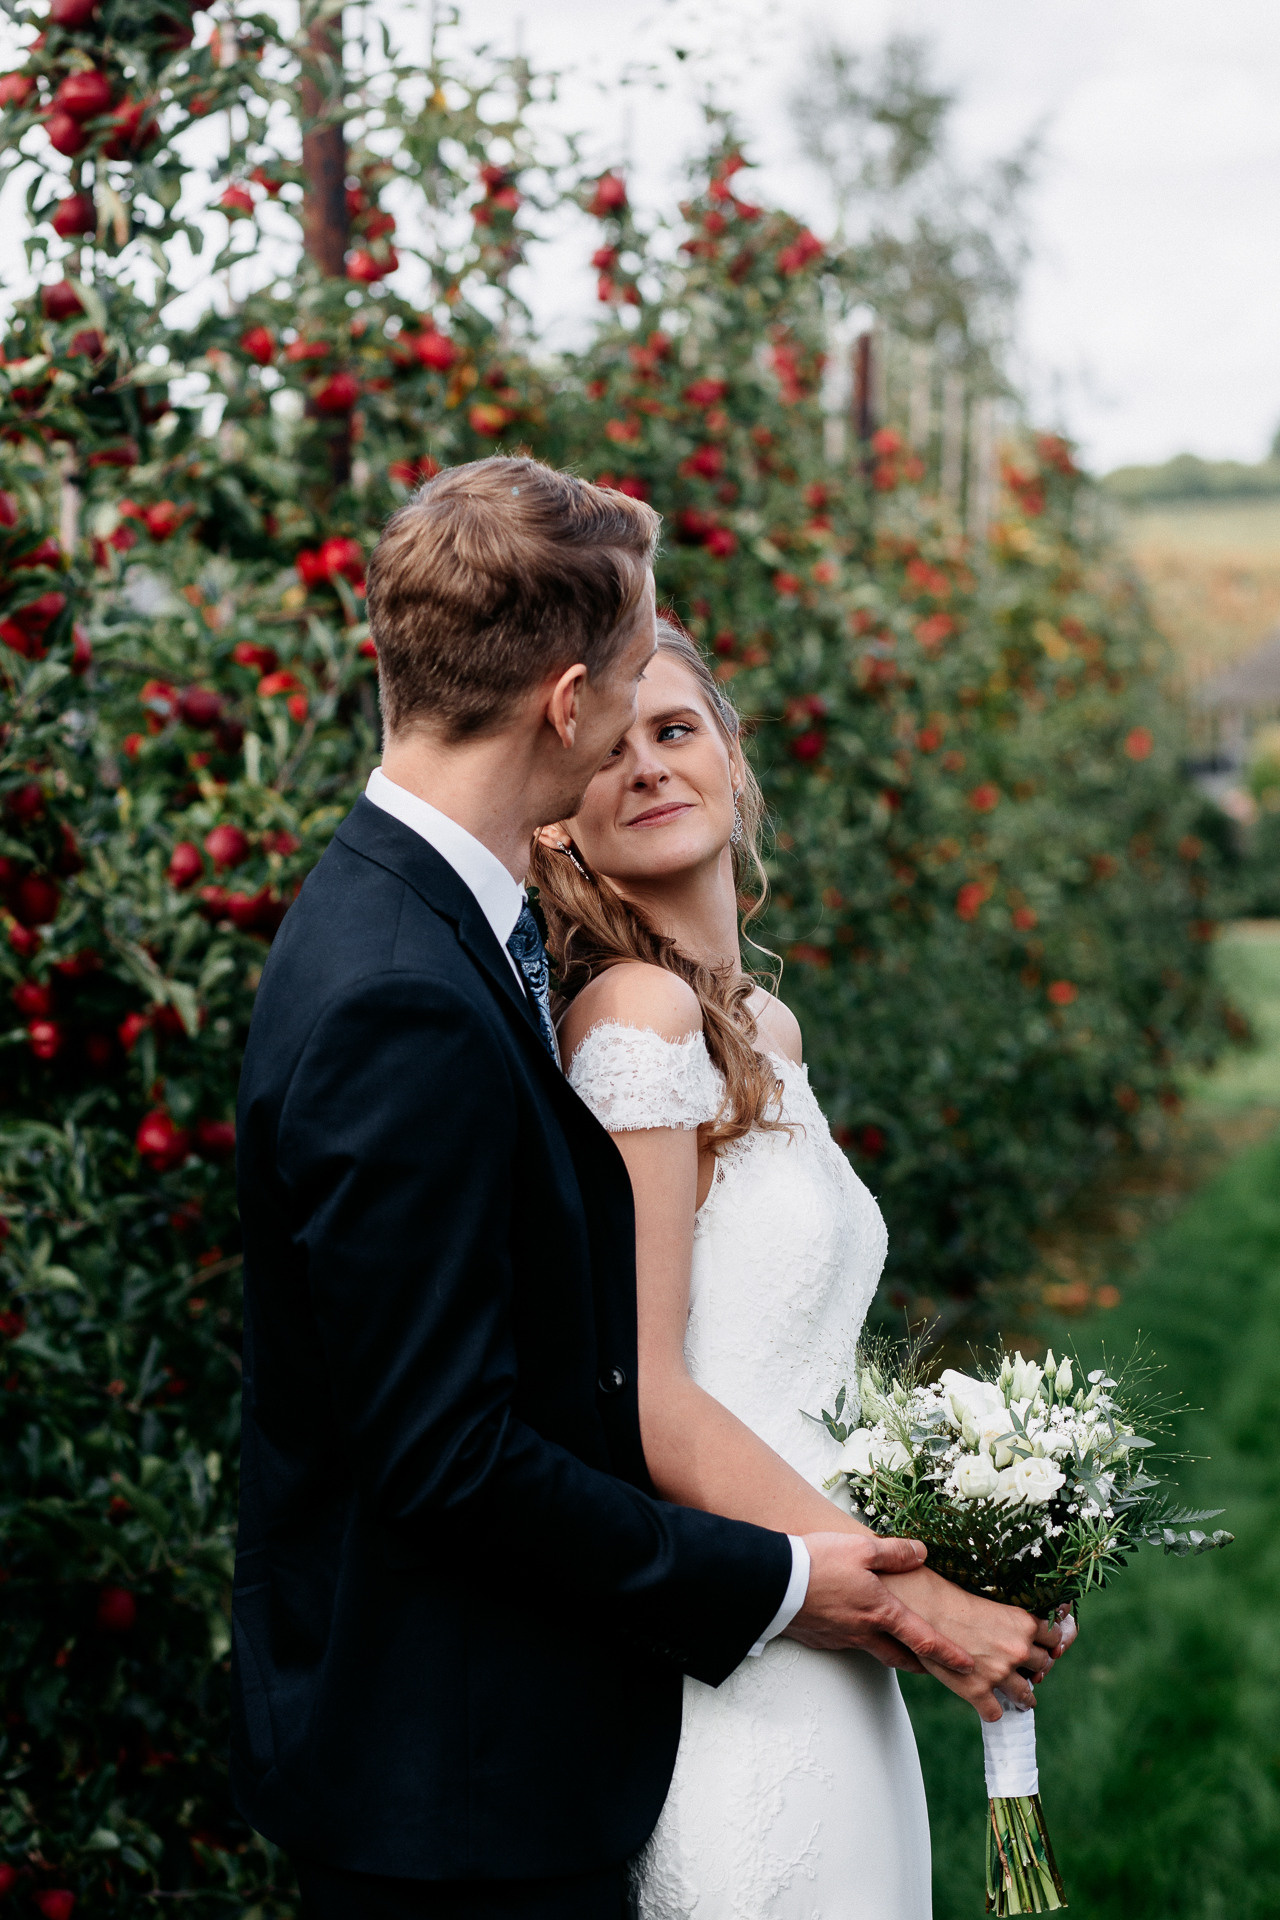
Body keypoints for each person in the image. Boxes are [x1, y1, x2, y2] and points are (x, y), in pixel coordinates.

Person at [231, 456, 1056, 1920]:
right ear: (565, 706)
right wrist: (826, 1586)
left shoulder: (432, 929)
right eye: (626, 689)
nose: (636, 740)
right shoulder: (401, 988)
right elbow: (450, 1456)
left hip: (525, 1746)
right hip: (456, 1796)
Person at [530, 619, 1073, 1920]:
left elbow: (794, 1362)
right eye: (609, 750)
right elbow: (651, 1397)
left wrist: (985, 1530)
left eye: (675, 730)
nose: (649, 767)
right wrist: (920, 1602)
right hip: (754, 1652)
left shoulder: (763, 1024)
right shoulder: (634, 1017)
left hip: (845, 1635)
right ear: (554, 820)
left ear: (734, 755)